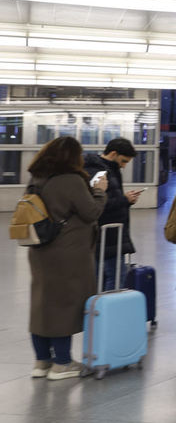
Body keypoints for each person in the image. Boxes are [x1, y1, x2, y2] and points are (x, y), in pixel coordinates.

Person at [27, 136, 107, 380]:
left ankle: (42, 362)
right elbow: (90, 212)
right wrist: (99, 191)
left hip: (40, 249)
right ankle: (61, 363)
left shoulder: (37, 178)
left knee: (42, 304)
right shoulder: (71, 179)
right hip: (68, 252)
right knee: (64, 305)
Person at [83, 137, 139, 292]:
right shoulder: (97, 172)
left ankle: (99, 305)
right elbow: (97, 204)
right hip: (106, 234)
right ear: (113, 154)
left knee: (104, 277)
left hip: (112, 235)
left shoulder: (110, 170)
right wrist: (124, 200)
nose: (124, 166)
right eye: (123, 161)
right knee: (115, 279)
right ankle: (107, 306)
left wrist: (126, 200)